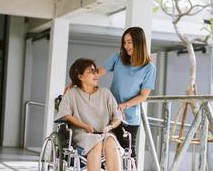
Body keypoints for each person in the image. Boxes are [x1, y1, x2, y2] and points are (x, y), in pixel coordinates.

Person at [98, 26, 156, 162]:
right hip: (111, 114)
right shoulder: (118, 57)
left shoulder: (149, 68)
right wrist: (77, 80)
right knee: (107, 151)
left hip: (130, 117)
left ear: (139, 42)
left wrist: (125, 105)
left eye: (129, 42)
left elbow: (143, 95)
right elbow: (98, 72)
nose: (126, 46)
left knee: (129, 155)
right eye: (124, 42)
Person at [55, 58, 122, 171]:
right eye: (91, 71)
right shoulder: (72, 93)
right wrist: (84, 126)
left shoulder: (105, 93)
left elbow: (118, 116)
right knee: (96, 143)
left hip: (104, 133)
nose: (96, 74)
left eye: (95, 71)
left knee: (111, 142)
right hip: (82, 134)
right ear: (80, 76)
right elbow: (65, 114)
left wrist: (110, 126)